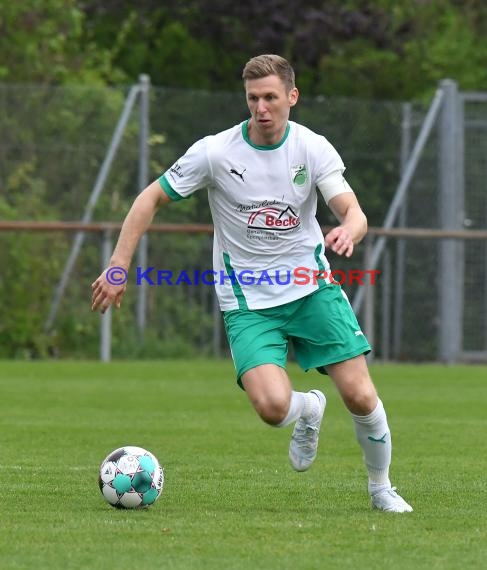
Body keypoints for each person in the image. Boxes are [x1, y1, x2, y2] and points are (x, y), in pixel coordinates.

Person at [91, 54, 412, 513]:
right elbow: (150, 198)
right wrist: (119, 266)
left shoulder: (312, 148)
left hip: (311, 288)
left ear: (291, 98)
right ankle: (309, 408)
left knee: (361, 394)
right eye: (253, 98)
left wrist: (349, 230)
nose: (261, 108)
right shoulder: (216, 152)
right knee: (272, 408)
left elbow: (352, 211)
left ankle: (381, 487)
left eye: (271, 98)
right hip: (247, 302)